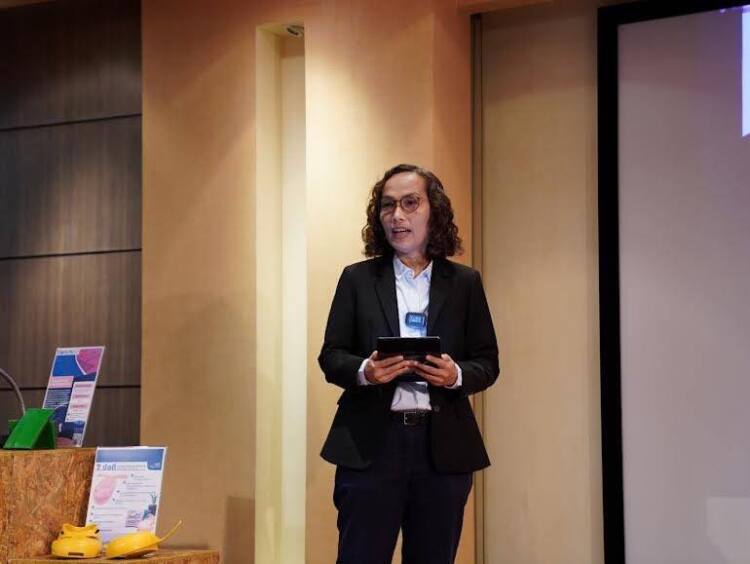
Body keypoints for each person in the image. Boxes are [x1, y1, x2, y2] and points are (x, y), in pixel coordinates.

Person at [318, 163, 499, 564]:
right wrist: (365, 372)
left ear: (434, 211)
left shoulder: (465, 283)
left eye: (410, 203)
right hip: (371, 447)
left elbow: (487, 362)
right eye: (387, 206)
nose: (396, 215)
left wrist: (455, 375)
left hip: (442, 450)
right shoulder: (357, 279)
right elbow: (331, 356)